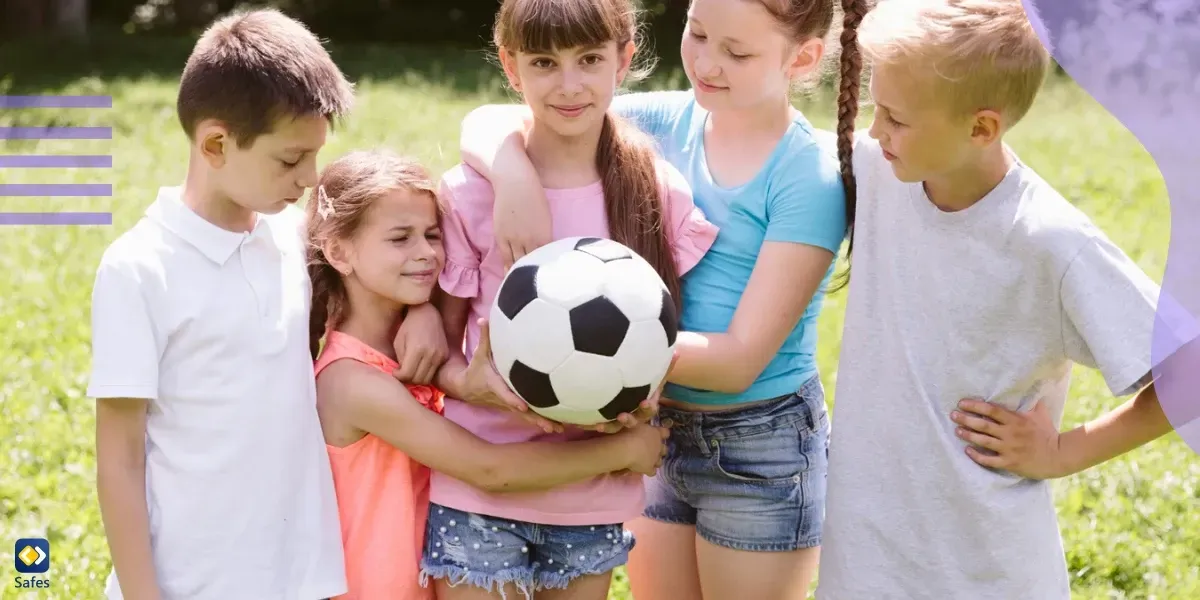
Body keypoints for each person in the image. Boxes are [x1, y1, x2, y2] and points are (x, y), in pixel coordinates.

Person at [451, 0, 867, 597]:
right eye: (696, 35)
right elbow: (499, 115)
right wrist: (512, 173)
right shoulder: (669, 121)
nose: (706, 63)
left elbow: (738, 361)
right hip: (654, 425)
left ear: (802, 58)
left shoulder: (808, 177)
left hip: (759, 446)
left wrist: (588, 355)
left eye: (737, 52)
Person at [815, 1, 1200, 598]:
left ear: (981, 128)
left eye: (895, 117)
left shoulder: (1049, 240)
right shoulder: (880, 168)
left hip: (989, 572)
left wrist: (1063, 453)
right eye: (875, 106)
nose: (873, 131)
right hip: (865, 563)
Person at [414, 0, 721, 598]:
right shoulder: (474, 194)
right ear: (511, 66)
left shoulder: (655, 192)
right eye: (544, 62)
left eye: (589, 59)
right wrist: (465, 383)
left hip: (594, 494)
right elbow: (441, 351)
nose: (569, 84)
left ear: (623, 59)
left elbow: (665, 336)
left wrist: (644, 399)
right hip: (476, 488)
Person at [304, 149, 670, 600]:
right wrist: (625, 449)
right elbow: (488, 468)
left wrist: (424, 312)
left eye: (433, 235)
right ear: (338, 251)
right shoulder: (350, 381)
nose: (426, 254)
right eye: (400, 238)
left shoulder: (411, 347)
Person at [86, 9, 355, 599]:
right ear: (215, 144)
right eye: (290, 160)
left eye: (315, 155)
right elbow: (120, 461)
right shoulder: (139, 268)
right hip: (190, 584)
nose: (311, 178)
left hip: (299, 580)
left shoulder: (292, 238)